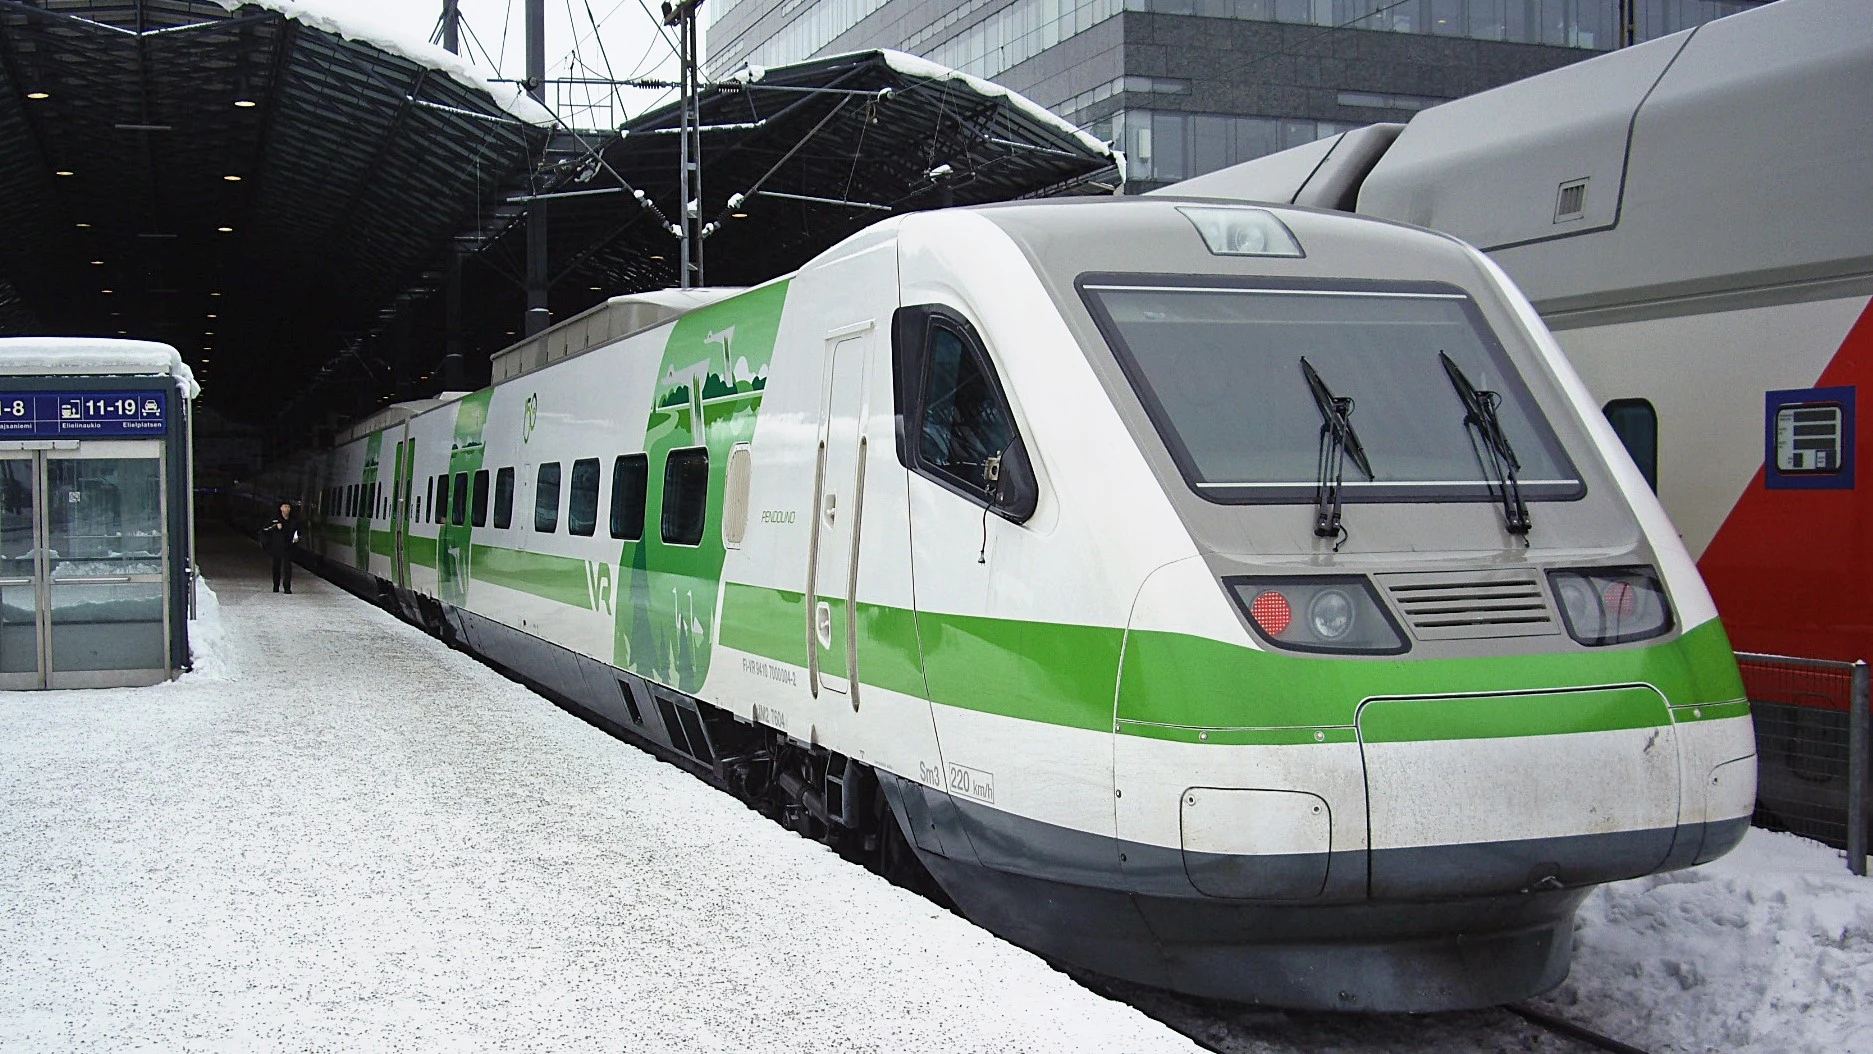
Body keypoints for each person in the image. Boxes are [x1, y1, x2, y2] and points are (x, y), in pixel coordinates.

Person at [260, 501, 300, 594]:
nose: (287, 509)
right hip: (277, 546)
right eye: (285, 507)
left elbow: (298, 531)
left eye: (288, 507)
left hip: (288, 546)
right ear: (281, 508)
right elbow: (265, 529)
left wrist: (297, 537)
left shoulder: (293, 521)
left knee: (287, 567)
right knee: (276, 566)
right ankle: (276, 586)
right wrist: (275, 526)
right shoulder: (275, 519)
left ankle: (287, 588)